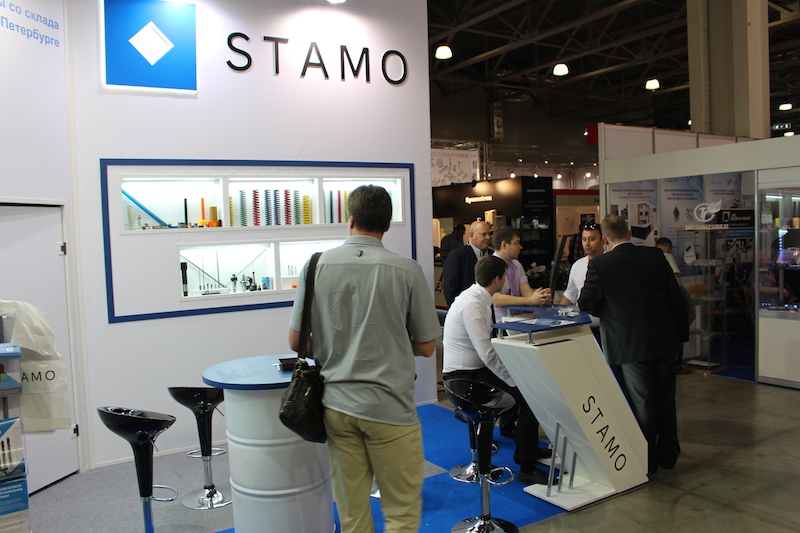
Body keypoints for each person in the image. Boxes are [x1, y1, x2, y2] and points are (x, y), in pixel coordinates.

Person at [288, 185, 440, 533]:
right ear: (387, 225)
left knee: (353, 517)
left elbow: (296, 341)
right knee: (401, 515)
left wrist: (334, 344)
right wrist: (391, 341)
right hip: (390, 408)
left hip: (337, 407)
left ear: (350, 219)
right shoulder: (407, 270)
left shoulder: (315, 266)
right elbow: (427, 346)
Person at [578, 215, 689, 475]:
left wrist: (609, 311)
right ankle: (669, 454)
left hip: (629, 344)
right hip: (663, 340)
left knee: (643, 403)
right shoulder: (655, 256)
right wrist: (680, 335)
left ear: (605, 239)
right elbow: (676, 297)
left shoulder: (600, 264)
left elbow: (586, 303)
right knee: (666, 399)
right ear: (628, 233)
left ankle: (647, 459)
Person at [443, 255, 552, 485]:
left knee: (523, 390)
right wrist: (514, 379)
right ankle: (527, 467)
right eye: (505, 277)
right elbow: (487, 353)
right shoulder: (473, 304)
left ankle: (526, 451)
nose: (507, 281)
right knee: (530, 397)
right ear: (497, 279)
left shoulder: (477, 297)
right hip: (462, 378)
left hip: (472, 370)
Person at [491, 225, 551, 323]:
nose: (520, 247)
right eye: (516, 243)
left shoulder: (516, 264)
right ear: (504, 245)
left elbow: (525, 290)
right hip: (499, 322)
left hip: (519, 318)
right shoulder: (490, 265)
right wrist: (529, 300)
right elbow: (495, 299)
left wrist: (539, 297)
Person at [559, 222, 604, 344]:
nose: (587, 244)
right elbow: (570, 295)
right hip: (583, 328)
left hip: (606, 328)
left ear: (603, 240)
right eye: (584, 239)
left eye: (592, 239)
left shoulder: (610, 263)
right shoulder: (577, 265)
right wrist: (556, 314)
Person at [442, 220, 492, 306]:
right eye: (483, 234)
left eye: (489, 234)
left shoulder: (492, 255)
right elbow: (450, 291)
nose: (488, 237)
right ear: (472, 235)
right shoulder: (457, 256)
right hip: (467, 308)